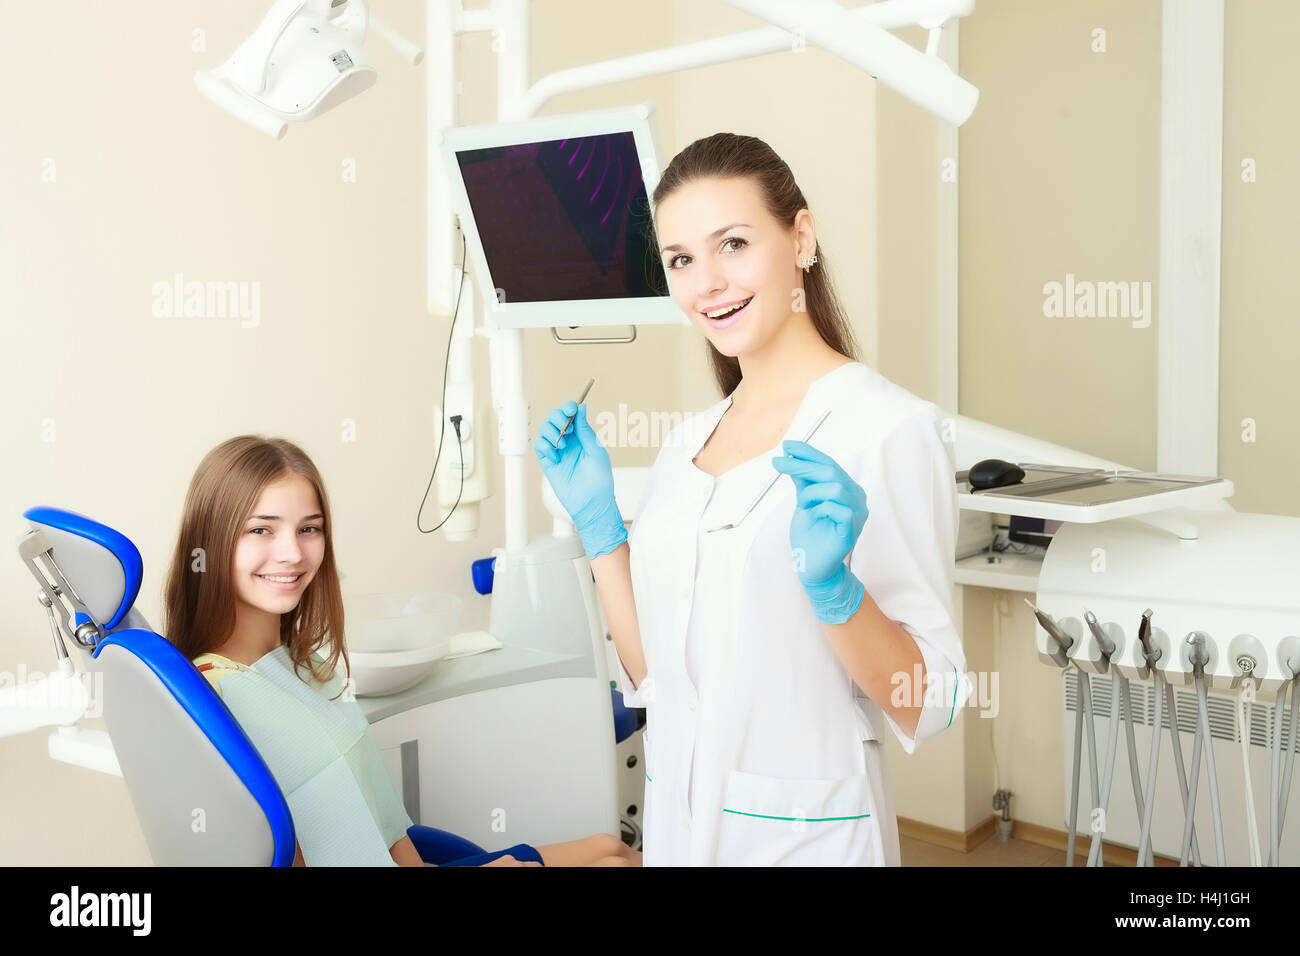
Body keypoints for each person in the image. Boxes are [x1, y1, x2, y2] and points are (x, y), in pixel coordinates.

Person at [534, 133, 969, 866]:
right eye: (681, 260)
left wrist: (836, 593)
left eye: (732, 243)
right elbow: (653, 679)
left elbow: (927, 700)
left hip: (804, 838)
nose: (707, 283)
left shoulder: (888, 429)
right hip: (681, 830)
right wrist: (602, 529)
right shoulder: (685, 446)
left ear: (801, 237)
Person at [164, 435, 639, 867]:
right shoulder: (221, 700)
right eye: (261, 530)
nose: (292, 553)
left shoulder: (306, 667)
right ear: (211, 541)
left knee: (609, 847)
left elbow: (389, 828)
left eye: (309, 529)